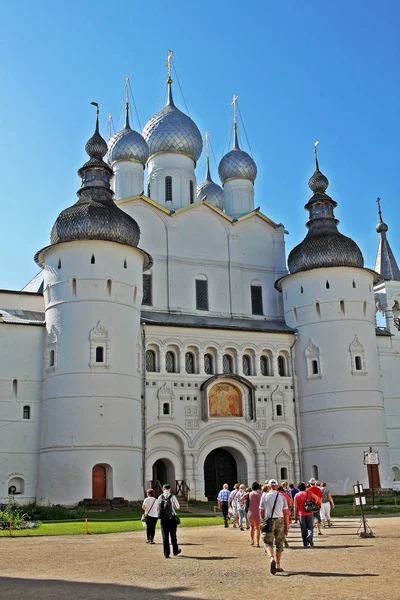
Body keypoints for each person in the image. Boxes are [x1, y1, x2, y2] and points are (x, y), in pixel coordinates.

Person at [260, 479, 289, 574]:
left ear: (268, 487)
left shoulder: (264, 497)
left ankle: (271, 558)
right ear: (277, 487)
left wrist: (262, 521)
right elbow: (286, 513)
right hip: (280, 521)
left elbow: (261, 511)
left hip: (268, 521)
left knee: (268, 542)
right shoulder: (282, 497)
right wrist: (287, 525)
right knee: (279, 543)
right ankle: (278, 565)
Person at [157, 484, 181, 558]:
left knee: (165, 536)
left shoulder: (160, 497)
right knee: (173, 536)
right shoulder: (172, 496)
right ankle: (175, 551)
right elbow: (178, 507)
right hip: (172, 518)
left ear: (163, 489)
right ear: (169, 489)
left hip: (163, 519)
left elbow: (158, 508)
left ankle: (166, 553)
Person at [293, 482, 319, 548]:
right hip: (309, 512)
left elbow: (295, 506)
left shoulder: (297, 495)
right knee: (310, 527)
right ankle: (310, 537)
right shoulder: (309, 493)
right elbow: (317, 498)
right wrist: (313, 504)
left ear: (298, 488)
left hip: (301, 513)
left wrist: (295, 515)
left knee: (303, 529)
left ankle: (305, 543)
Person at [248, 481, 262, 547]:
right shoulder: (260, 494)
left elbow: (241, 499)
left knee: (251, 526)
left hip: (250, 511)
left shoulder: (249, 493)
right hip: (258, 512)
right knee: (258, 528)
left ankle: (252, 540)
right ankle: (258, 542)